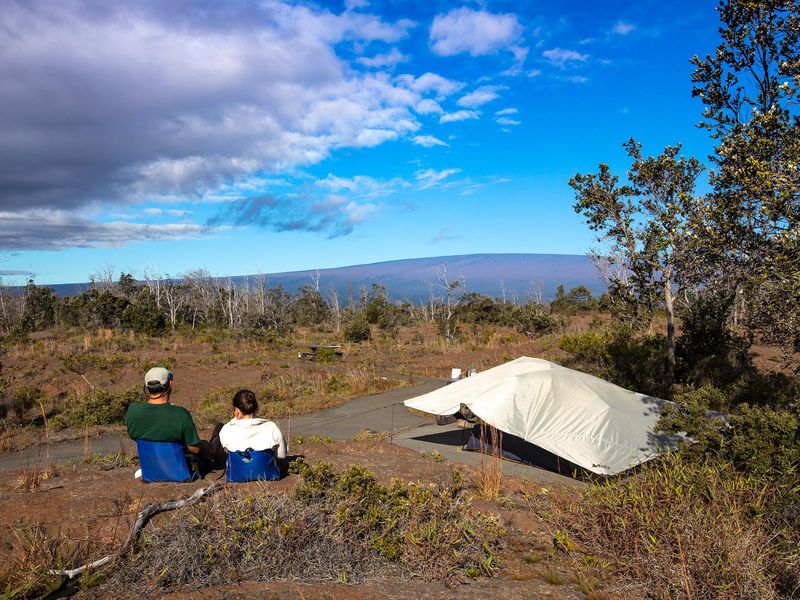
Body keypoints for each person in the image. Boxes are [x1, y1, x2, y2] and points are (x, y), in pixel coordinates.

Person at [126, 366, 226, 475]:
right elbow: (194, 449)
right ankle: (217, 440)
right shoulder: (180, 414)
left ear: (146, 386)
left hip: (151, 466)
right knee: (207, 445)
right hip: (178, 469)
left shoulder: (133, 410)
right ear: (169, 384)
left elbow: (134, 436)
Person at [219, 389, 287, 460]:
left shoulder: (226, 430)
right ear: (255, 408)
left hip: (237, 470)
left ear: (237, 410)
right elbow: (282, 455)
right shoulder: (271, 427)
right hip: (265, 470)